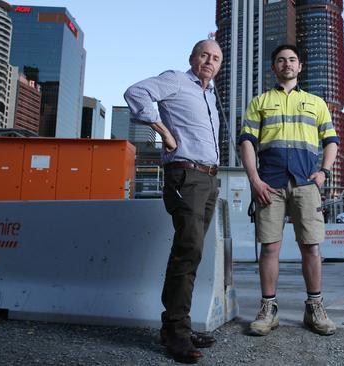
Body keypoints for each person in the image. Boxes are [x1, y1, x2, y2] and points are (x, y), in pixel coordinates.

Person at [123, 39, 222, 364]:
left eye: (216, 57)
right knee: (187, 249)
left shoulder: (209, 95)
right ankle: (174, 332)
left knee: (193, 252)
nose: (210, 60)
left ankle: (180, 324)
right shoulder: (177, 80)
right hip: (186, 175)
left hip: (208, 179)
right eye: (204, 55)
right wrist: (163, 132)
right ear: (192, 57)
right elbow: (135, 93)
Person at [238, 44, 339, 336]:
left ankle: (315, 308)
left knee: (312, 246)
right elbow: (247, 142)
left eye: (292, 60)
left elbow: (331, 140)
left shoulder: (316, 102)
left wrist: (324, 173)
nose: (287, 64)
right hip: (270, 183)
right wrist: (255, 180)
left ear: (300, 66)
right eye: (281, 60)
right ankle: (269, 309)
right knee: (270, 247)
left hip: (307, 182)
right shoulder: (260, 101)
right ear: (274, 67)